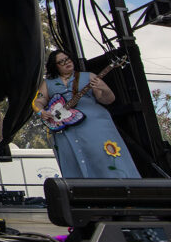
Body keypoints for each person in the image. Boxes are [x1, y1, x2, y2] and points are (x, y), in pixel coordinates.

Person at [34, 49, 141, 179]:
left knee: (103, 155)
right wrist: (41, 112)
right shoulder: (48, 83)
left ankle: (120, 185)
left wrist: (102, 88)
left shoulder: (88, 76)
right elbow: (38, 101)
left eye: (67, 59)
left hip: (94, 123)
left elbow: (108, 99)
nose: (66, 62)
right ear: (55, 66)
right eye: (61, 62)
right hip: (64, 127)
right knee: (72, 159)